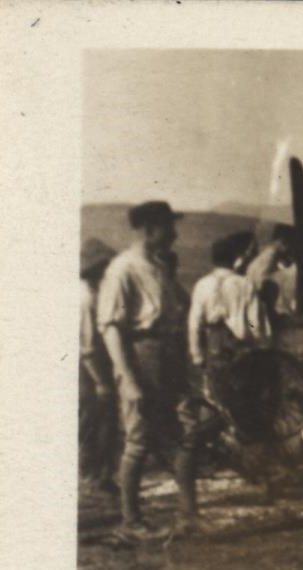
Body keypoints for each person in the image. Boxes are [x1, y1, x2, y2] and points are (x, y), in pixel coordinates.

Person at [95, 200, 198, 536]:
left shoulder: (157, 267)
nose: (174, 234)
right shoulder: (122, 269)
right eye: (169, 227)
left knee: (188, 430)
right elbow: (111, 328)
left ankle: (188, 515)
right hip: (143, 355)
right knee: (139, 438)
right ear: (150, 229)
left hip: (169, 355)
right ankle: (131, 521)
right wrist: (127, 379)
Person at [188, 231, 272, 372]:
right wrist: (258, 341)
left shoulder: (202, 284)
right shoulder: (245, 284)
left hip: (213, 347)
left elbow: (194, 322)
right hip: (240, 348)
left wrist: (197, 355)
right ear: (235, 258)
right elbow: (253, 322)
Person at [79, 238, 120, 494]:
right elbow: (88, 347)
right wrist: (102, 381)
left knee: (92, 422)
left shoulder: (89, 294)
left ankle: (95, 474)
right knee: (98, 421)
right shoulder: (87, 298)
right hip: (90, 370)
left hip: (89, 368)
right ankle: (96, 476)